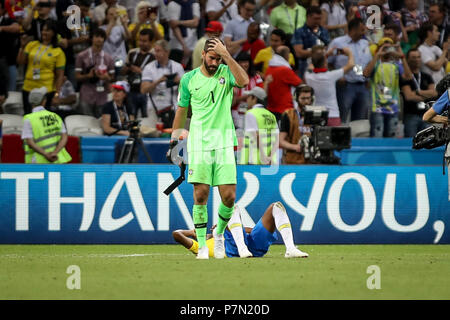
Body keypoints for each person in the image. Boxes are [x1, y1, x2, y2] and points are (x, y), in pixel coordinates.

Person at [170, 37, 249, 259]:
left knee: (229, 197)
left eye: (218, 58)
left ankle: (220, 236)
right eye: (212, 58)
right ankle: (203, 246)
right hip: (199, 144)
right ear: (203, 55)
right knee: (201, 194)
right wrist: (176, 140)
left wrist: (227, 56)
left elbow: (244, 81)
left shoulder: (226, 72)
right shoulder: (189, 79)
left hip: (224, 142)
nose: (215, 63)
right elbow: (182, 110)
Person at [172, 202, 309, 259]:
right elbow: (176, 234)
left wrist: (224, 227)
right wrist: (194, 232)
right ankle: (242, 248)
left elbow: (251, 230)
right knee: (231, 207)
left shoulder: (222, 231)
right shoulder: (201, 247)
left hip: (251, 244)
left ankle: (290, 248)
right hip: (233, 249)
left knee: (276, 206)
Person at [363, 38, 413, 138]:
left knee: (391, 138)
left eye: (389, 47)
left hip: (393, 108)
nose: (387, 50)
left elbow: (408, 77)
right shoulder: (375, 64)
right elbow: (366, 73)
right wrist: (377, 55)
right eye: (384, 47)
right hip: (377, 108)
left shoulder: (396, 65)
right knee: (377, 138)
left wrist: (402, 56)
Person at [328, 18, 373, 124]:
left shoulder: (365, 44)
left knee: (360, 120)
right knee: (342, 116)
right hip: (345, 86)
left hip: (362, 85)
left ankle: (359, 141)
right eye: (362, 30)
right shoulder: (338, 42)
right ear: (353, 30)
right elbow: (328, 62)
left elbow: (367, 64)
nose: (364, 32)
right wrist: (338, 76)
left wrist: (368, 79)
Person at [17, 19, 65, 115]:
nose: (44, 32)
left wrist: (56, 94)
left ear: (53, 33)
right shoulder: (32, 45)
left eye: (47, 30)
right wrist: (22, 47)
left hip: (46, 90)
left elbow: (60, 76)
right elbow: (20, 62)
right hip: (28, 88)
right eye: (43, 30)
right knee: (28, 116)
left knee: (42, 117)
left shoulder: (58, 51)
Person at [305, 46, 355, 126]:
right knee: (334, 138)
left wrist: (325, 55)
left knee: (316, 138)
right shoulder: (331, 75)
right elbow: (351, 64)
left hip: (316, 114)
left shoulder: (308, 76)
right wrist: (350, 53)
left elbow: (313, 64)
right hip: (332, 115)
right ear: (325, 63)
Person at [21, 87, 72, 164]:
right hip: (58, 159)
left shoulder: (28, 119)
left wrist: (46, 155)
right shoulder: (55, 116)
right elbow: (64, 137)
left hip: (38, 162)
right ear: (44, 101)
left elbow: (30, 143)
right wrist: (55, 153)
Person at [141, 39, 184, 129]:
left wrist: (180, 81)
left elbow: (187, 89)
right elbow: (143, 90)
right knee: (153, 135)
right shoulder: (149, 68)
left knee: (173, 137)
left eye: (158, 51)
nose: (155, 53)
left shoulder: (177, 67)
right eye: (154, 51)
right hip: (153, 108)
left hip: (173, 108)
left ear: (167, 52)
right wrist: (158, 81)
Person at [75, 28, 115, 118]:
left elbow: (112, 77)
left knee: (101, 123)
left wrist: (107, 77)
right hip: (86, 94)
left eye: (101, 37)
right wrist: (88, 76)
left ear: (104, 39)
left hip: (102, 95)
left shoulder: (109, 58)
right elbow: (77, 77)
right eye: (97, 36)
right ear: (92, 38)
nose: (99, 39)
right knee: (87, 122)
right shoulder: (81, 56)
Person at [59, 0, 97, 87]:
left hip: (87, 62)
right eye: (82, 10)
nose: (83, 13)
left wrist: (90, 39)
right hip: (72, 62)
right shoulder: (65, 22)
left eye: (86, 10)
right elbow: (61, 43)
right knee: (73, 87)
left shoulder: (89, 22)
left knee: (88, 87)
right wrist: (78, 40)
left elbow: (94, 37)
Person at [401, 48, 436, 137]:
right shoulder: (405, 77)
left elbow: (434, 94)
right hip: (410, 115)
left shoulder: (427, 76)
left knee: (427, 144)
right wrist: (426, 95)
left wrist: (417, 92)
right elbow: (409, 96)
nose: (416, 60)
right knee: (411, 143)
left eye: (418, 57)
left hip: (426, 115)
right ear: (408, 59)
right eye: (413, 57)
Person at [239, 86, 278, 165]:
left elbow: (255, 136)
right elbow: (277, 140)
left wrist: (263, 156)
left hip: (253, 160)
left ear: (254, 98)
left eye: (248, 97)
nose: (247, 100)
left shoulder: (251, 113)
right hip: (270, 161)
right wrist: (269, 157)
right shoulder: (271, 115)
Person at [122, 28, 155, 118]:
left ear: (151, 42)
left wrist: (141, 71)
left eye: (144, 41)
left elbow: (156, 74)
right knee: (131, 117)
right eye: (140, 40)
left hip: (146, 92)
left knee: (146, 119)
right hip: (131, 90)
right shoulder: (132, 52)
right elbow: (123, 72)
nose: (141, 43)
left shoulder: (155, 55)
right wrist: (128, 68)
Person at [291, 5, 330, 79]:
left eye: (319, 18)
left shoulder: (324, 31)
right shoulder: (299, 32)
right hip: (305, 69)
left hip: (323, 70)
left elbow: (328, 48)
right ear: (308, 17)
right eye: (315, 19)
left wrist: (311, 52)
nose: (318, 21)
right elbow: (299, 53)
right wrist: (319, 52)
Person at [265, 45, 302, 122]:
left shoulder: (269, 69)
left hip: (271, 108)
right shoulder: (284, 70)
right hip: (285, 109)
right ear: (286, 55)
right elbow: (299, 83)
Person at [279, 84, 312, 164]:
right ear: (296, 98)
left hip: (311, 161)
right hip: (292, 160)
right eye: (303, 99)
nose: (306, 102)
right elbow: (280, 141)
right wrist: (295, 147)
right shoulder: (288, 115)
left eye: (308, 98)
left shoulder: (316, 115)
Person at [231, 51, 263, 129]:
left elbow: (261, 95)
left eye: (245, 62)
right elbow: (231, 102)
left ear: (249, 63)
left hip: (253, 112)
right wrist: (248, 95)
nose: (243, 65)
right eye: (240, 62)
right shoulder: (232, 78)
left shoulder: (256, 77)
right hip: (236, 113)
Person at [167, 0, 200, 67]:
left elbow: (195, 23)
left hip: (192, 45)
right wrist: (184, 46)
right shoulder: (172, 4)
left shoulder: (195, 4)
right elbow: (174, 26)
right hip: (177, 46)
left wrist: (179, 22)